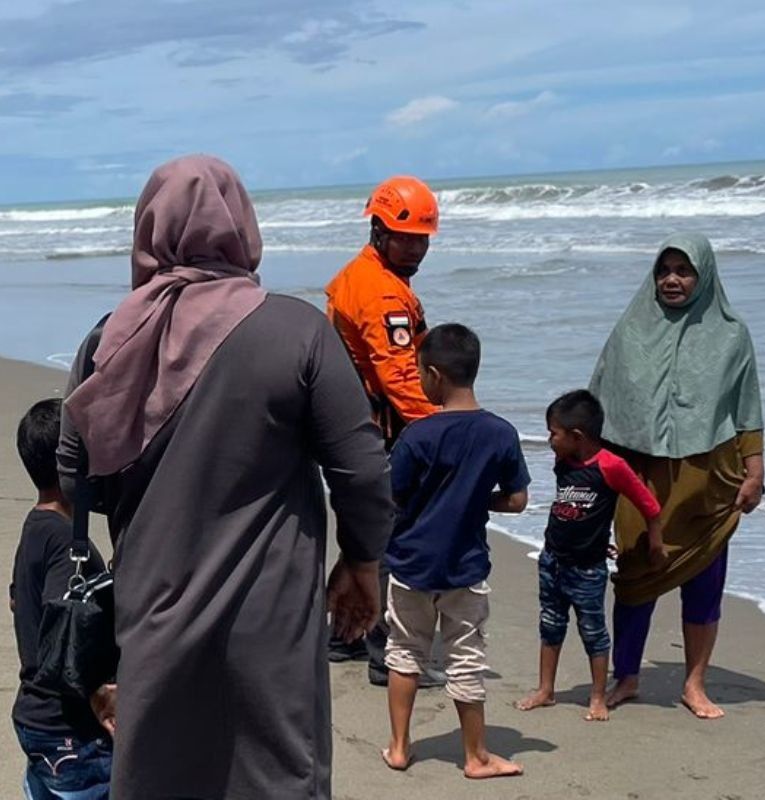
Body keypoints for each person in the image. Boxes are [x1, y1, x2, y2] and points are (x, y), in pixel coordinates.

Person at [57, 155, 392, 799]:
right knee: (276, 771)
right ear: (241, 225)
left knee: (161, 771)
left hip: (152, 607)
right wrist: (361, 560)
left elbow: (75, 479)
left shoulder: (108, 340)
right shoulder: (296, 330)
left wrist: (161, 500)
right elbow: (362, 470)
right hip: (270, 618)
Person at [589, 233, 765, 720]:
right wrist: (587, 482)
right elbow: (599, 405)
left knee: (705, 583)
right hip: (638, 477)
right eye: (664, 270)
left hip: (709, 477)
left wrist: (755, 471)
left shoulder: (732, 335)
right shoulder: (629, 332)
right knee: (632, 579)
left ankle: (694, 683)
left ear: (703, 275)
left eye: (683, 271)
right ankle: (627, 677)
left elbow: (747, 407)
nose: (672, 280)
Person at [381, 323, 528, 779]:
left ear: (435, 374)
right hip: (465, 565)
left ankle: (401, 746)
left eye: (420, 373)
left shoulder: (417, 436)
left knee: (404, 650)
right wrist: (475, 497)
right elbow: (518, 500)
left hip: (411, 561)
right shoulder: (500, 433)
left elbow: (392, 495)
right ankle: (476, 755)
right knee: (466, 657)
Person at [325, 175, 440, 681]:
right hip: (379, 431)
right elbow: (398, 378)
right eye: (407, 237)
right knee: (389, 538)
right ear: (379, 231)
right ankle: (383, 652)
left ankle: (340, 634)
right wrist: (442, 431)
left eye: (423, 238)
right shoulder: (380, 295)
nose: (417, 248)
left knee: (366, 533)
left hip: (356, 426)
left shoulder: (368, 277)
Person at [516, 390, 663, 722]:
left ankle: (597, 696)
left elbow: (650, 506)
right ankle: (546, 690)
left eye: (553, 433)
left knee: (593, 631)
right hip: (553, 559)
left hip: (587, 569)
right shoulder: (563, 462)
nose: (549, 439)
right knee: (551, 625)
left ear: (577, 435)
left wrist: (655, 542)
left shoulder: (612, 466)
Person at [11, 399, 112, 799]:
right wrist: (100, 691)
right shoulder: (67, 542)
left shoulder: (35, 527)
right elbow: (62, 625)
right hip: (67, 730)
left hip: (34, 718)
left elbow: (20, 601)